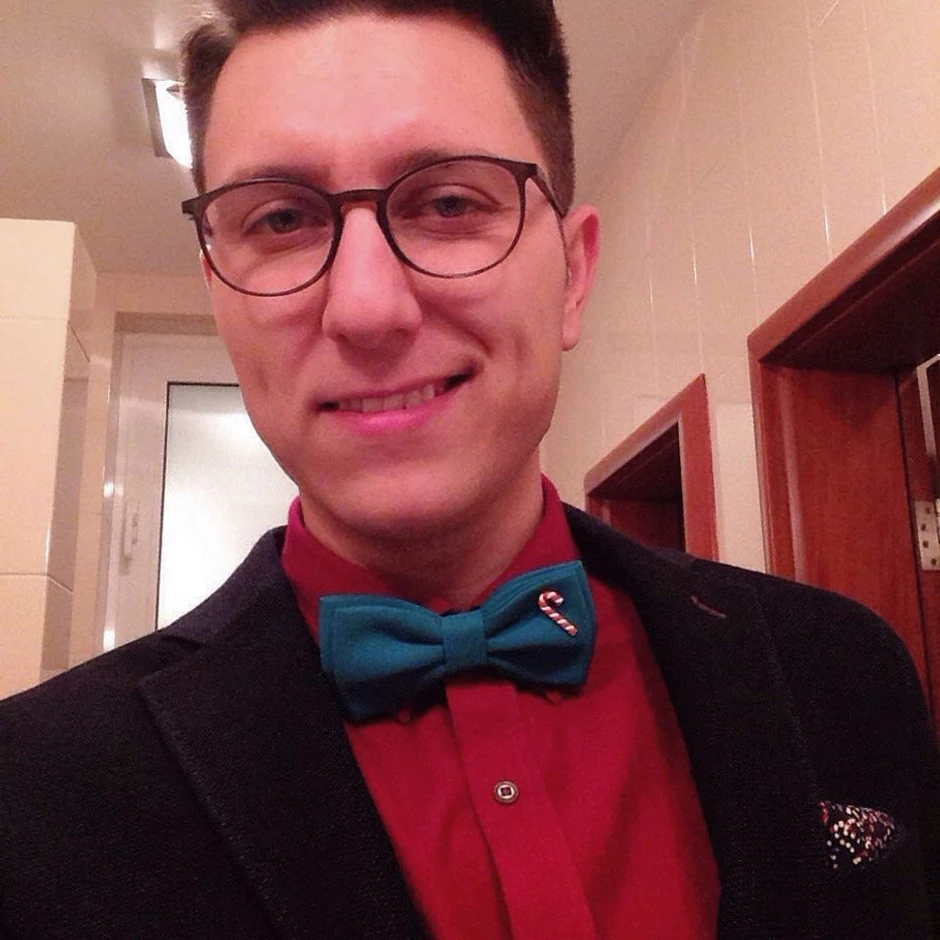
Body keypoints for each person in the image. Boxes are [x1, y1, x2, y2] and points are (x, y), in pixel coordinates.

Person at [1, 1, 938, 937]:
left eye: (449, 203)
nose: (366, 309)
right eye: (281, 219)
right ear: (220, 296)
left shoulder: (840, 670)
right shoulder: (35, 796)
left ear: (572, 274)